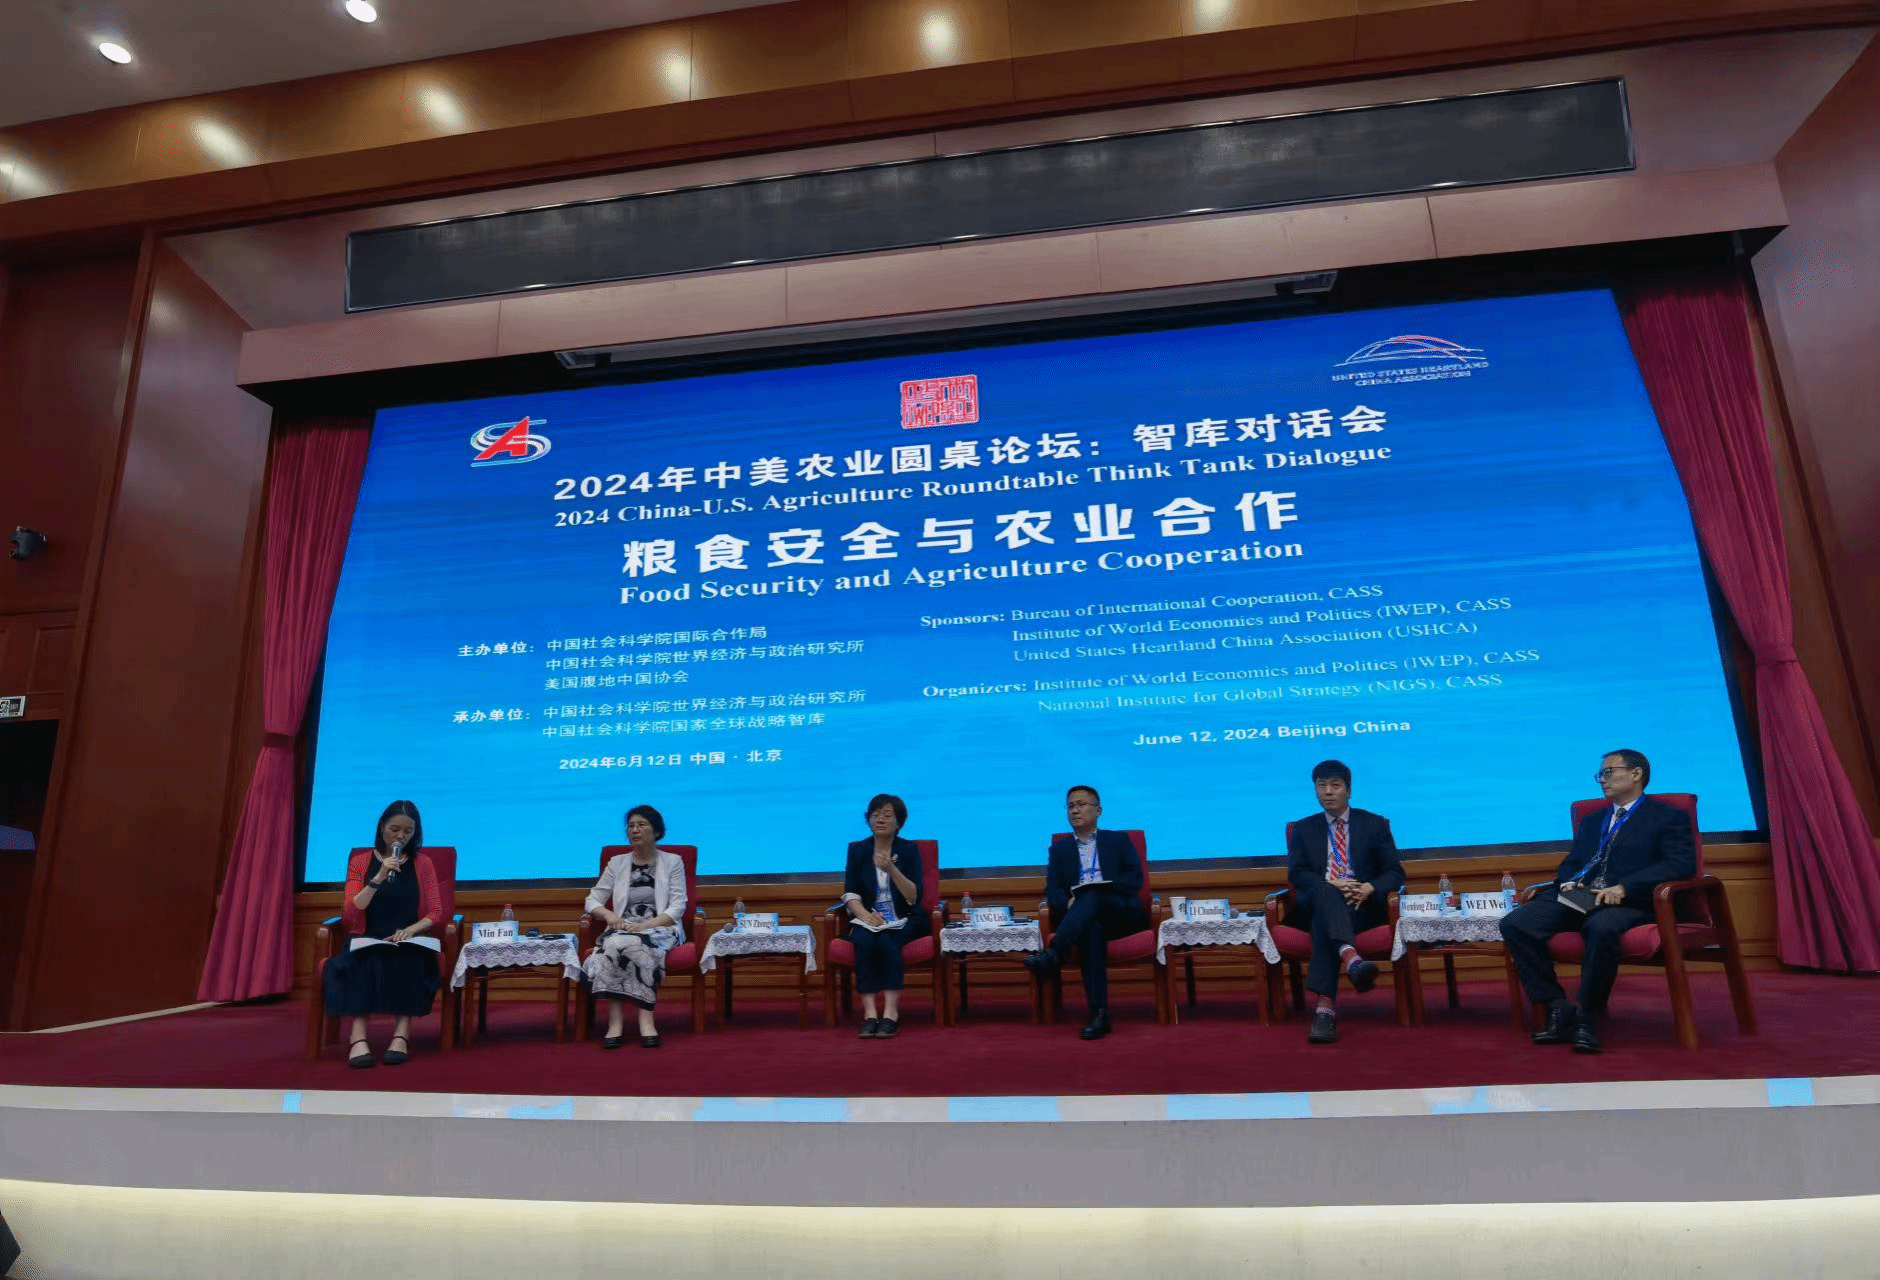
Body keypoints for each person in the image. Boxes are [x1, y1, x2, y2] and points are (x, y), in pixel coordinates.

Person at [1500, 749, 1694, 1054]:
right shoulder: (1593, 821)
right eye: (1600, 775)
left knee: (1600, 926)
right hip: (1583, 896)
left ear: (1636, 774)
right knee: (1516, 923)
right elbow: (1573, 861)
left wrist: (1625, 887)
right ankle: (1556, 1006)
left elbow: (1679, 865)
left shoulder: (1667, 817)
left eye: (1608, 772)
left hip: (1631, 901)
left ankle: (1587, 1018)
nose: (1602, 780)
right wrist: (1569, 880)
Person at [1283, 760, 1404, 1045]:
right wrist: (1331, 884)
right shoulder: (1303, 829)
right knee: (1326, 893)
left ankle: (1325, 1010)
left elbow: (1395, 872)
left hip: (1361, 906)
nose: (1328, 791)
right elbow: (1297, 874)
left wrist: (1369, 887)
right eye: (1321, 786)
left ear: (1348, 790)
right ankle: (1351, 959)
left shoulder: (1373, 824)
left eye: (1335, 785)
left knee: (1324, 922)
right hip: (1316, 900)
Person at [322, 800, 444, 1069]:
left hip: (407, 938)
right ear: (382, 828)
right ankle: (358, 1037)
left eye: (408, 832)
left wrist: (410, 930)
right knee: (361, 959)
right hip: (368, 936)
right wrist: (378, 877)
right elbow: (351, 912)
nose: (401, 837)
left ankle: (401, 1035)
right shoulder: (361, 862)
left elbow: (436, 911)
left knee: (412, 959)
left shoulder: (423, 864)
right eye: (394, 829)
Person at [1024, 785, 1145, 1041]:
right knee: (1091, 929)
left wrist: (1103, 891)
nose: (1075, 810)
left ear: (1098, 810)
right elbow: (1053, 889)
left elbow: (1134, 879)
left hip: (1119, 914)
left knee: (1092, 894)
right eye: (1070, 806)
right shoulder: (1060, 849)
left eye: (1081, 804)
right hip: (1081, 920)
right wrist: (1069, 903)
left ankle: (1056, 953)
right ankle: (1099, 1015)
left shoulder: (1118, 840)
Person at [583, 804, 688, 1049]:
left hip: (660, 927)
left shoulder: (673, 862)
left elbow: (678, 906)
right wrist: (608, 914)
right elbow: (592, 900)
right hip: (624, 927)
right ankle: (615, 1023)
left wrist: (647, 926)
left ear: (657, 831)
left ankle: (645, 1019)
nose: (634, 830)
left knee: (628, 944)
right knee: (616, 943)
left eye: (641, 825)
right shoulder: (617, 863)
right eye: (631, 826)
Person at [839, 793, 929, 1039]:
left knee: (888, 943)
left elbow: (913, 896)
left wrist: (891, 868)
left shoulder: (909, 850)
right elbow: (850, 893)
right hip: (869, 918)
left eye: (887, 815)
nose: (880, 819)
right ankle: (870, 1014)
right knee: (864, 941)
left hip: (905, 918)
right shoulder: (858, 850)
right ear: (868, 819)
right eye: (875, 815)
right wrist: (866, 917)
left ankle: (890, 1014)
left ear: (898, 822)